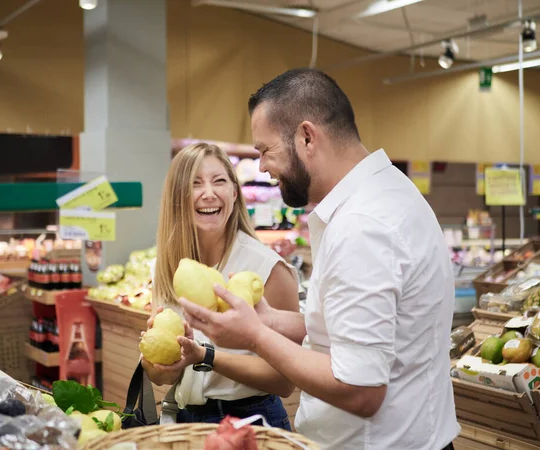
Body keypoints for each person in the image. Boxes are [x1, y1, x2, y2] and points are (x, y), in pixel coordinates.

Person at [178, 68, 460, 450]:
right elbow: (349, 331)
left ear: (307, 137)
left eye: (264, 150)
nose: (261, 166)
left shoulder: (362, 226)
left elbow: (360, 391)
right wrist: (271, 320)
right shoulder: (388, 193)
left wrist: (255, 337)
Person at [142, 142, 300, 430]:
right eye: (195, 184)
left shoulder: (267, 269)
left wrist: (205, 357)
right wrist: (161, 363)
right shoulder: (166, 266)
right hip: (183, 420)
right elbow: (161, 378)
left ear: (234, 192)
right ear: (178, 197)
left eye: (219, 181)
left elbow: (284, 380)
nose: (209, 193)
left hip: (249, 422)